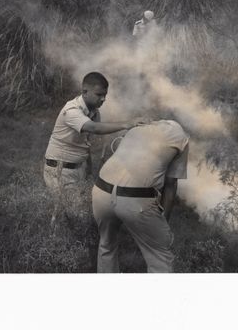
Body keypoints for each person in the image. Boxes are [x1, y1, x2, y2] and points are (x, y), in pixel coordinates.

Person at [44, 71, 146, 232]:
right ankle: (57, 240)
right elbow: (94, 128)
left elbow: (86, 142)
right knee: (75, 211)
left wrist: (89, 167)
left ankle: (60, 237)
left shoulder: (94, 112)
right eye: (99, 95)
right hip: (59, 168)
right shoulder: (71, 110)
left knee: (70, 210)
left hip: (77, 168)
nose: (103, 99)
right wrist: (127, 124)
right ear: (85, 91)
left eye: (105, 95)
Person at [92, 119, 189, 273]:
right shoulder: (181, 138)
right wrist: (163, 221)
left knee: (106, 245)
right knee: (160, 254)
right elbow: (170, 185)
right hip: (135, 198)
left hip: (101, 190)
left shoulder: (136, 129)